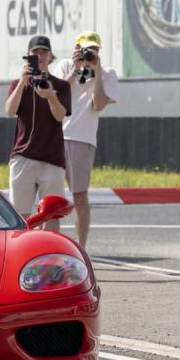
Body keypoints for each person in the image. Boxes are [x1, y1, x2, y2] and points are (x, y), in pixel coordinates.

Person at [55, 31, 118, 248]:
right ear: (76, 49)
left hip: (82, 139)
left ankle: (80, 247)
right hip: (55, 136)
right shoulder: (64, 66)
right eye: (85, 49)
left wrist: (96, 70)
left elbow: (98, 104)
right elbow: (56, 93)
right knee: (50, 196)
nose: (89, 54)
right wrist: (75, 69)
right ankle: (49, 244)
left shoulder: (108, 73)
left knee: (80, 196)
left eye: (94, 50)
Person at [4, 35, 71, 231]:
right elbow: (9, 111)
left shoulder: (61, 86)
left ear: (51, 57)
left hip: (52, 158)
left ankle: (50, 254)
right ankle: (23, 254)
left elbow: (60, 116)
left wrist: (50, 96)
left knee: (52, 215)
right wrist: (23, 81)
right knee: (19, 214)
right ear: (28, 56)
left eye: (44, 52)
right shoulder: (17, 83)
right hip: (22, 156)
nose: (40, 56)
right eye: (35, 52)